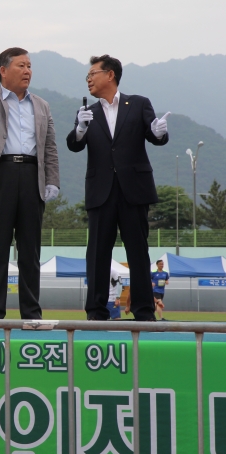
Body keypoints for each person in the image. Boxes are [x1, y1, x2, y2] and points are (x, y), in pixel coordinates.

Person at [66, 55, 170, 321]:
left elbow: (155, 136)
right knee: (97, 253)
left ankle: (143, 312)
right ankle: (96, 311)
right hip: (101, 191)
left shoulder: (138, 104)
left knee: (138, 251)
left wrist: (159, 131)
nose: (88, 79)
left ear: (110, 74)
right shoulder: (88, 112)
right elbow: (74, 144)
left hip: (133, 189)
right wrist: (80, 128)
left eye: (92, 74)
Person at [0, 44, 59, 321]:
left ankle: (31, 314)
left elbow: (50, 146)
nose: (27, 70)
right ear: (3, 71)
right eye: (21, 65)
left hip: (32, 175)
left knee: (30, 250)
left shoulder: (41, 105)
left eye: (29, 66)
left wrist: (52, 180)